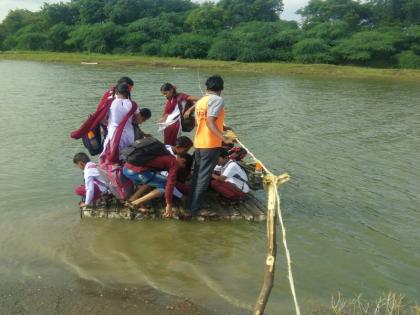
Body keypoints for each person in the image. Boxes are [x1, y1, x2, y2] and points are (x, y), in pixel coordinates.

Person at [187, 75, 234, 215]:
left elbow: (200, 122)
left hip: (199, 143)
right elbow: (210, 122)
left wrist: (223, 128)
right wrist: (224, 138)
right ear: (221, 88)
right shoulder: (217, 100)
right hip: (210, 144)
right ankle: (196, 208)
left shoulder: (201, 101)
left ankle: (191, 204)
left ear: (207, 87)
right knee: (204, 177)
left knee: (197, 175)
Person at [123, 153, 192, 217]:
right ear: (183, 160)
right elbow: (169, 185)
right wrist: (170, 203)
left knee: (153, 181)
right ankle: (134, 203)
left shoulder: (168, 154)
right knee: (164, 185)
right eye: (183, 166)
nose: (181, 167)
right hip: (136, 172)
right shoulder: (174, 163)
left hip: (127, 168)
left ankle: (133, 200)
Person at [101, 82, 144, 164]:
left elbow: (102, 119)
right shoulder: (133, 104)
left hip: (113, 133)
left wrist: (108, 124)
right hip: (129, 135)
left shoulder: (110, 102)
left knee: (112, 157)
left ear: (116, 92)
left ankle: (113, 173)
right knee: (127, 157)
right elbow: (139, 121)